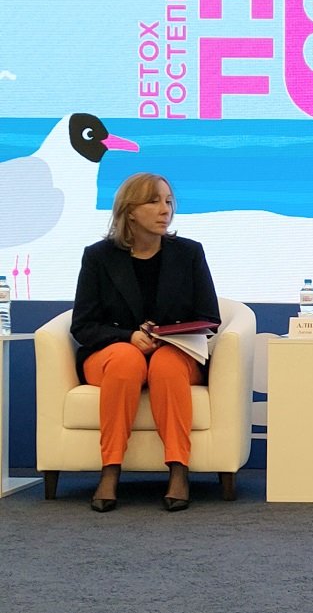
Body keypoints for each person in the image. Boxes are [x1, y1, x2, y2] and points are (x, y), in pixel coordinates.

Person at [70, 172, 220, 513]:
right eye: (154, 201)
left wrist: (168, 335)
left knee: (165, 365)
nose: (165, 210)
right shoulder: (98, 257)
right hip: (113, 353)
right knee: (127, 359)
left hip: (175, 352)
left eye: (168, 201)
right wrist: (129, 336)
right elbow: (83, 325)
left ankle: (178, 469)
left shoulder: (189, 253)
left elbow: (209, 317)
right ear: (130, 211)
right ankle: (110, 469)